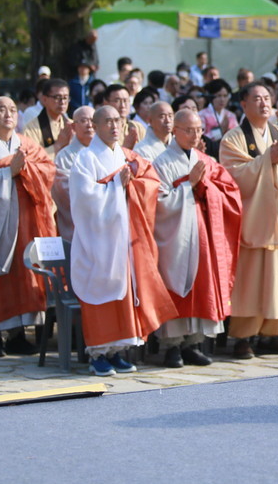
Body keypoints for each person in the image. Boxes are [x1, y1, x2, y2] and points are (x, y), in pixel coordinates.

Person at [69, 105, 175, 377]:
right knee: (100, 294)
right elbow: (84, 199)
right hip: (97, 241)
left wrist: (129, 185)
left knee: (123, 293)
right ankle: (98, 354)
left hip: (122, 238)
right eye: (108, 122)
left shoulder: (124, 155)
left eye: (118, 121)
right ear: (96, 125)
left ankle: (117, 350)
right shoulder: (86, 158)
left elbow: (144, 188)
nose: (114, 126)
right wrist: (116, 185)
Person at [219, 82, 278, 359]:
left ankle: (272, 333)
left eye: (266, 98)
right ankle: (242, 337)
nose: (263, 103)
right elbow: (232, 176)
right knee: (252, 279)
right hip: (254, 220)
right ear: (244, 104)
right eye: (256, 99)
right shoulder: (233, 139)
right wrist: (266, 160)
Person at [0, 96, 57, 358]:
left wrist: (24, 170)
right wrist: (8, 172)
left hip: (25, 223)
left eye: (13, 110)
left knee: (23, 276)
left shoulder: (26, 144)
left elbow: (47, 171)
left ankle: (17, 335)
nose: (8, 114)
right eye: (1, 109)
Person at [151, 109, 243, 368]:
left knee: (203, 287)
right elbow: (158, 201)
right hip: (176, 236)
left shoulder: (207, 160)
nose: (194, 135)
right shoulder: (162, 162)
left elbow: (228, 192)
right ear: (175, 131)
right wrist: (188, 185)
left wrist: (207, 188)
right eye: (188, 130)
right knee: (177, 286)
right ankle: (172, 346)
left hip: (205, 235)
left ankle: (193, 343)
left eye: (198, 130)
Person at [52, 106, 95, 240]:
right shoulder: (64, 156)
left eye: (92, 120)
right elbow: (64, 190)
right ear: (74, 126)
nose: (89, 125)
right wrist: (99, 192)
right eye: (83, 120)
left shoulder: (106, 151)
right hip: (76, 223)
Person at [22, 78, 73, 159]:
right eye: (57, 97)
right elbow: (30, 159)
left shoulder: (72, 125)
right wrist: (57, 145)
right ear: (44, 99)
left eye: (65, 97)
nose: (62, 102)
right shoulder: (31, 129)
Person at [201, 79, 239, 144]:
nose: (222, 99)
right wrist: (220, 131)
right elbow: (201, 139)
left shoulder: (231, 115)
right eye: (218, 96)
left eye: (225, 96)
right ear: (211, 96)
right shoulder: (202, 115)